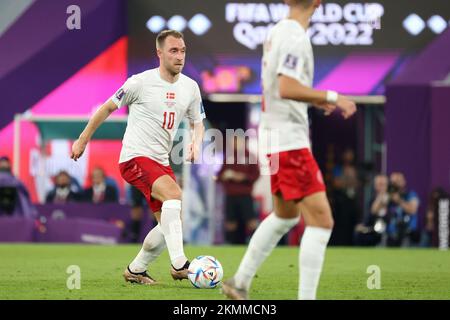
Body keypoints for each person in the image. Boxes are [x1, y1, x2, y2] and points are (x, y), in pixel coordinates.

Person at [222, 0, 356, 300]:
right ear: (318, 3)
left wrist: (313, 100)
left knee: (285, 216)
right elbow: (287, 87)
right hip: (290, 143)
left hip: (275, 138)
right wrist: (333, 96)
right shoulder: (295, 35)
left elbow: (281, 89)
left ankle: (239, 281)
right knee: (322, 221)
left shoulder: (277, 32)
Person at [71, 30, 205, 284]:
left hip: (161, 161)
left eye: (183, 50)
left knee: (170, 223)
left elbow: (197, 122)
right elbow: (107, 107)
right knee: (174, 196)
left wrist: (196, 144)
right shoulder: (139, 83)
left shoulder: (191, 87)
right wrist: (83, 138)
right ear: (160, 53)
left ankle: (136, 270)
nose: (180, 56)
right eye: (173, 51)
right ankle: (180, 265)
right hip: (134, 157)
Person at [217, 136, 260, 244]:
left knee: (251, 221)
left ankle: (256, 243)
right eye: (233, 141)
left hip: (245, 195)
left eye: (237, 141)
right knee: (231, 222)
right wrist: (224, 176)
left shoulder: (250, 156)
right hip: (231, 195)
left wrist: (242, 177)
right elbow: (219, 176)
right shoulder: (229, 157)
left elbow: (256, 175)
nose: (235, 144)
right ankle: (233, 244)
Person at [386, 172, 420, 247]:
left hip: (407, 233)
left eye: (398, 181)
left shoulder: (411, 195)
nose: (395, 184)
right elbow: (374, 210)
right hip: (390, 234)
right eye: (393, 182)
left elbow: (413, 210)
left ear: (404, 182)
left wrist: (399, 200)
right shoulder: (388, 196)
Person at [354, 174, 388, 246]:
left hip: (389, 230)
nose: (381, 187)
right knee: (358, 233)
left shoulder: (393, 199)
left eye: (383, 184)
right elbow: (372, 212)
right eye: (379, 184)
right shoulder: (372, 200)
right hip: (373, 229)